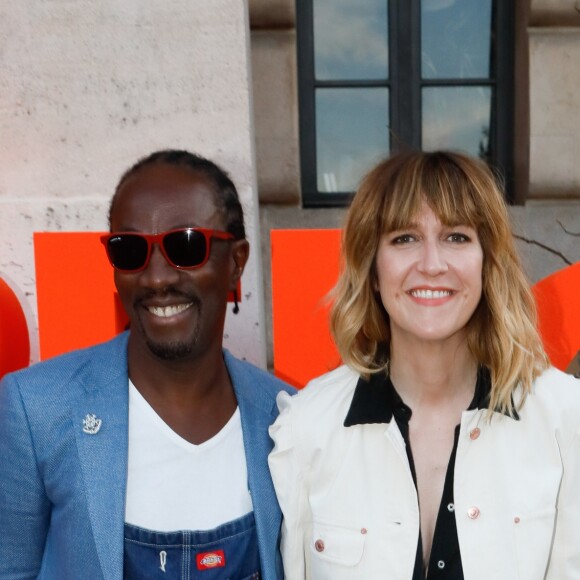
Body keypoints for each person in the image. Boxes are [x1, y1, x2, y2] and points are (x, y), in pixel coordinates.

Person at [268, 150, 580, 579]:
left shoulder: (565, 419)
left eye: (456, 237)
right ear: (373, 270)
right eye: (404, 238)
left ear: (487, 263)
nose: (432, 265)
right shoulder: (306, 428)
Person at [0, 149, 294, 579]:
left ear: (236, 262)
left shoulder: (284, 417)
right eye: (130, 249)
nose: (157, 278)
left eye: (185, 246)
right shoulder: (37, 409)